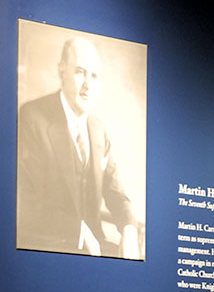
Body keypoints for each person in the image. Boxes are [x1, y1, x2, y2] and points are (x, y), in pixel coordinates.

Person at [16, 36, 140, 258]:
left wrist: (129, 230)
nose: (87, 85)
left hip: (95, 248)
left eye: (94, 76)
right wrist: (78, 233)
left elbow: (116, 192)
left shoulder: (98, 128)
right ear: (61, 71)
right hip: (48, 248)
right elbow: (23, 204)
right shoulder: (32, 117)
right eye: (80, 72)